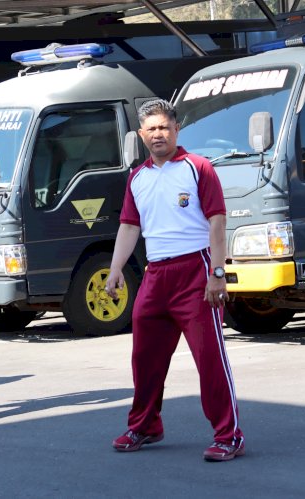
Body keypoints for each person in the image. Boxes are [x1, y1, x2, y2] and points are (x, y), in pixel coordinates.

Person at [105, 99, 245, 461]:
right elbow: (129, 225)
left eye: (163, 127)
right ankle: (145, 425)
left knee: (209, 358)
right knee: (145, 357)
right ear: (141, 135)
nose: (157, 135)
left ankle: (228, 436)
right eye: (150, 129)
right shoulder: (138, 176)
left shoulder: (198, 168)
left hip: (195, 271)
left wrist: (216, 274)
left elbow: (217, 222)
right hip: (156, 273)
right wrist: (116, 267)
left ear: (176, 129)